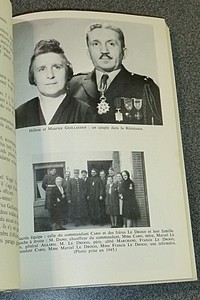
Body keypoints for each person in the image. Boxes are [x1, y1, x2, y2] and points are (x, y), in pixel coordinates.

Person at [70, 23, 163, 125]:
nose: (104, 51)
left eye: (111, 44)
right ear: (88, 53)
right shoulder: (73, 85)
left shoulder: (145, 87)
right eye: (96, 44)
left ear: (124, 53)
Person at [16, 39, 95, 128]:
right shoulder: (20, 114)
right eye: (42, 69)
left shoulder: (85, 113)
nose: (50, 75)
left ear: (68, 72)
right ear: (33, 76)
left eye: (57, 67)